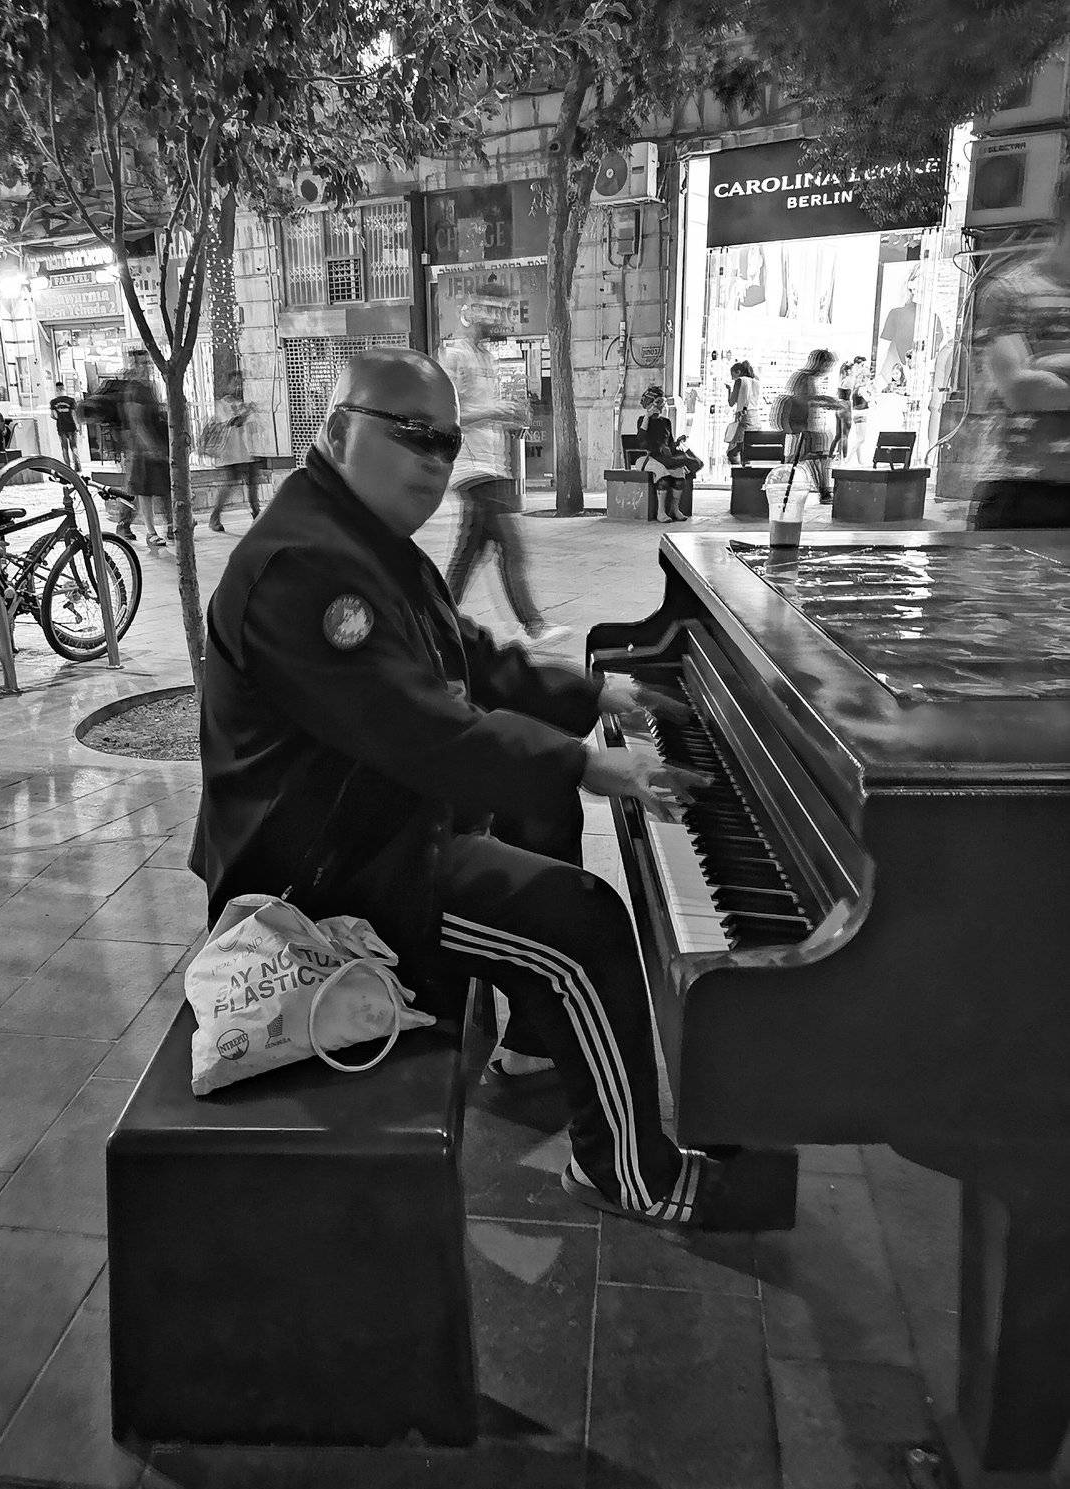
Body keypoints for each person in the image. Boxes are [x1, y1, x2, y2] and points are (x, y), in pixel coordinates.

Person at [190, 346, 768, 1230]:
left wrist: (591, 697)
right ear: (338, 432)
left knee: (538, 810)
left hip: (371, 821)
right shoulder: (305, 567)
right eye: (411, 433)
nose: (434, 458)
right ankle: (625, 1172)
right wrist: (588, 763)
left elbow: (470, 658)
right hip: (323, 880)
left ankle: (535, 1040)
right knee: (582, 925)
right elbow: (421, 732)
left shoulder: (360, 539)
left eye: (448, 441)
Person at [440, 283, 568, 648]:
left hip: (492, 467)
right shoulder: (455, 356)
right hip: (472, 470)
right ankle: (533, 626)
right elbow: (447, 415)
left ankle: (435, 618)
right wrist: (493, 411)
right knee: (511, 547)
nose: (501, 320)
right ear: (475, 311)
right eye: (495, 311)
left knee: (468, 555)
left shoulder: (485, 358)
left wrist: (506, 417)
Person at [971, 170, 1070, 529]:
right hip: (1021, 489)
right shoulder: (1012, 291)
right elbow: (1021, 390)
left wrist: (1050, 364)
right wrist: (1036, 378)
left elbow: (1040, 385)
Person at [777, 349, 847, 502]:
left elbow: (806, 399)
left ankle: (823, 491)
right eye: (827, 365)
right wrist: (826, 401)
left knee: (816, 456)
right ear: (819, 363)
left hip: (802, 427)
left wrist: (825, 401)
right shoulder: (805, 378)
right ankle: (824, 492)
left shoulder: (805, 377)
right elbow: (804, 400)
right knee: (818, 456)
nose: (828, 369)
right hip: (802, 427)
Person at [122, 350, 172, 547]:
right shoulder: (135, 390)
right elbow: (136, 421)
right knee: (144, 490)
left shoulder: (149, 387)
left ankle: (169, 525)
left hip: (153, 445)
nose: (146, 368)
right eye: (141, 364)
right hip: (143, 449)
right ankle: (150, 531)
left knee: (158, 486)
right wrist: (149, 445)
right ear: (134, 366)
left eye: (147, 363)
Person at [634, 385, 704, 521]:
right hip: (647, 458)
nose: (661, 406)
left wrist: (676, 443)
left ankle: (674, 509)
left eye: (662, 402)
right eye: (658, 402)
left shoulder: (666, 422)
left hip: (664, 458)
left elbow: (669, 444)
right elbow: (641, 441)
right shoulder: (643, 420)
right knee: (664, 478)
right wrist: (648, 416)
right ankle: (661, 512)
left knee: (679, 478)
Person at [207, 371, 260, 533]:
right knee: (228, 485)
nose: (237, 386)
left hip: (248, 451)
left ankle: (257, 516)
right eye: (234, 383)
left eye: (240, 382)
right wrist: (247, 412)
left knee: (253, 486)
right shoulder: (222, 405)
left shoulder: (243, 403)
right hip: (231, 453)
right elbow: (234, 422)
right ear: (227, 384)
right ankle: (215, 517)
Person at [724, 361, 760, 465]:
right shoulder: (756, 381)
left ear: (738, 372)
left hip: (743, 416)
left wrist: (729, 390)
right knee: (746, 448)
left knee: (731, 453)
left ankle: (739, 472)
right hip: (755, 418)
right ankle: (746, 470)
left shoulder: (740, 381)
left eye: (733, 375)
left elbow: (731, 402)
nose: (732, 378)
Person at [845, 357, 876, 467]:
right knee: (861, 439)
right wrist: (872, 393)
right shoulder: (862, 388)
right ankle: (848, 459)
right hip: (861, 413)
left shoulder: (857, 387)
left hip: (857, 413)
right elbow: (870, 400)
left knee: (859, 438)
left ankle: (859, 461)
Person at [49, 382, 81, 471]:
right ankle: (77, 466)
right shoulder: (71, 400)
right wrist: (77, 426)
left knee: (64, 448)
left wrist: (59, 414)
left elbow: (54, 416)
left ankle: (68, 467)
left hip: (61, 427)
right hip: (71, 426)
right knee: (74, 446)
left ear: (56, 390)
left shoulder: (53, 402)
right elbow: (74, 414)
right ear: (63, 389)